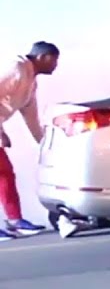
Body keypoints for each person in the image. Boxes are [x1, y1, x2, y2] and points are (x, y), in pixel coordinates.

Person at [0, 41, 59, 240]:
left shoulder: (31, 82)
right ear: (43, 57)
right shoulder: (16, 68)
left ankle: (15, 221)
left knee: (4, 174)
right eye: (54, 60)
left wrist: (44, 144)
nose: (56, 65)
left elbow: (31, 117)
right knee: (3, 172)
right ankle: (14, 220)